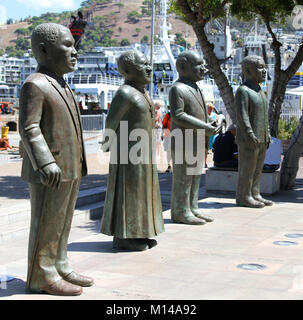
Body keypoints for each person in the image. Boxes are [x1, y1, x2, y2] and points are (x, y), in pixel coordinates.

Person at [19, 23, 93, 296]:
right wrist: (45, 161)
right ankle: (42, 274)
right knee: (46, 222)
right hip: (49, 170)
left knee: (62, 221)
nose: (74, 52)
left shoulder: (61, 84)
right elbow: (28, 127)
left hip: (70, 166)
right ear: (44, 50)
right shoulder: (35, 85)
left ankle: (60, 263)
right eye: (67, 45)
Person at [100, 50, 164, 251]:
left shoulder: (143, 92)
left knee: (143, 192)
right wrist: (107, 144)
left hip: (143, 151)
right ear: (127, 71)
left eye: (148, 64)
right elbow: (111, 121)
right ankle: (123, 236)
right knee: (129, 192)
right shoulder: (125, 93)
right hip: (128, 153)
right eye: (143, 64)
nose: (149, 68)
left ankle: (140, 232)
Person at [169, 51, 221, 225]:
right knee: (183, 177)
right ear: (183, 66)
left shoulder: (195, 87)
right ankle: (180, 211)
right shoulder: (178, 88)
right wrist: (205, 127)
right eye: (199, 64)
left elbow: (200, 114)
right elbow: (178, 115)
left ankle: (192, 206)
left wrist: (210, 125)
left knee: (196, 175)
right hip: (184, 140)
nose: (203, 68)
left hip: (198, 139)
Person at [235, 55, 273, 208]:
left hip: (262, 137)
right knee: (247, 170)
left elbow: (264, 116)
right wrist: (250, 133)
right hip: (248, 138)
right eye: (260, 67)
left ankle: (255, 193)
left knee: (258, 169)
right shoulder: (243, 91)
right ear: (248, 71)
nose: (264, 71)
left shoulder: (259, 91)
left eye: (264, 67)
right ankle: (244, 196)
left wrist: (267, 132)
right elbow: (242, 116)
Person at [205, 102, 218, 167]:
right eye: (209, 109)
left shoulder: (215, 115)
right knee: (205, 149)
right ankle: (204, 162)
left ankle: (214, 162)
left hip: (213, 135)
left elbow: (217, 123)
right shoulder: (204, 115)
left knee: (213, 149)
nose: (210, 110)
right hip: (206, 134)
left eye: (211, 109)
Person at [162, 107, 172, 172]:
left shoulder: (178, 115)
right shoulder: (168, 115)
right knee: (168, 151)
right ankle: (169, 165)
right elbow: (164, 125)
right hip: (168, 135)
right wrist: (163, 134)